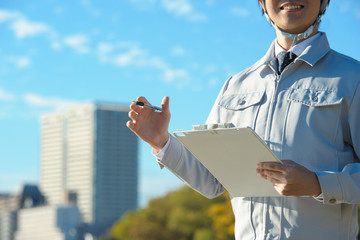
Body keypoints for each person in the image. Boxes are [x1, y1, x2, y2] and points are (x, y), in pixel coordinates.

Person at [127, 0, 360, 239]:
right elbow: (210, 182)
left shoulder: (354, 79)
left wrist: (317, 184)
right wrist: (161, 142)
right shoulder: (235, 86)